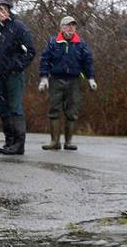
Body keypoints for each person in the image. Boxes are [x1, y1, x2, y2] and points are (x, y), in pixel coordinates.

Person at [0, 0, 36, 155]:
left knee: (15, 108)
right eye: (0, 10)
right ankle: (9, 142)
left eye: (6, 9)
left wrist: (17, 66)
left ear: (10, 11)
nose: (3, 12)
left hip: (13, 75)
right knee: (2, 109)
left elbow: (31, 50)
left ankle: (19, 144)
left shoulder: (19, 27)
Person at [38, 15, 96, 151]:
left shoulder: (81, 44)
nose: (71, 28)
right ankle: (54, 141)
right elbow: (45, 60)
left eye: (73, 26)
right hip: (55, 80)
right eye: (68, 25)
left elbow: (88, 62)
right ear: (62, 27)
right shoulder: (53, 42)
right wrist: (43, 78)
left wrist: (91, 78)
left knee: (72, 112)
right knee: (54, 110)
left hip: (74, 81)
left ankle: (68, 142)